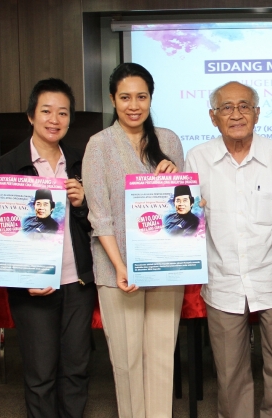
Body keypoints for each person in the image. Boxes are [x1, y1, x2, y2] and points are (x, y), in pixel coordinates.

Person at [186, 81, 272, 418]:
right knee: (229, 369)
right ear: (213, 117)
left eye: (244, 106)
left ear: (258, 113)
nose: (236, 114)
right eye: (226, 108)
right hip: (223, 280)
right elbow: (184, 216)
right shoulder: (197, 157)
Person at [0, 78, 96, 418]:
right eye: (46, 111)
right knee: (40, 374)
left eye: (62, 113)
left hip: (77, 283)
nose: (54, 119)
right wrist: (21, 279)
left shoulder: (81, 163)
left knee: (77, 369)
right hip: (32, 286)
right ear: (30, 115)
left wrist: (82, 205)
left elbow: (97, 227)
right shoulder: (8, 165)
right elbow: (1, 238)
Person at [82, 62, 183, 417]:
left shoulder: (169, 140)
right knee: (126, 360)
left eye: (141, 96)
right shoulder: (99, 145)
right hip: (117, 269)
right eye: (125, 97)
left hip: (165, 267)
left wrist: (177, 178)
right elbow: (100, 215)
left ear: (151, 99)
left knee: (160, 358)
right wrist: (121, 266)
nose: (134, 105)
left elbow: (183, 208)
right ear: (113, 99)